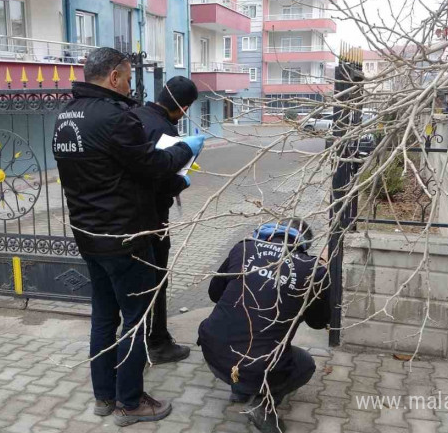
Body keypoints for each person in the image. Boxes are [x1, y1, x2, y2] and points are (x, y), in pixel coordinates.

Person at [51, 47, 206, 427]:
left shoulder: (65, 117)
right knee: (135, 321)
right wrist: (187, 148)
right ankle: (130, 402)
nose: (130, 84)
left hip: (88, 235)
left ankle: (104, 396)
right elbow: (154, 165)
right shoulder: (115, 118)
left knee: (103, 317)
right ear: (115, 76)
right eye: (128, 76)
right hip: (126, 238)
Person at [197, 218, 332, 433]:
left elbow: (215, 294)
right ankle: (263, 405)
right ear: (305, 244)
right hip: (257, 363)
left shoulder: (243, 248)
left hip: (212, 350)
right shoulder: (312, 269)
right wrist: (321, 273)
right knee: (305, 364)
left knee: (243, 335)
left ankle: (240, 389)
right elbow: (318, 322)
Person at [131, 76, 199, 364]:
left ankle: (138, 338)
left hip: (124, 218)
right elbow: (161, 178)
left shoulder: (133, 116)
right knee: (157, 281)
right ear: (183, 107)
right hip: (153, 218)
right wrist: (184, 181)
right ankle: (156, 342)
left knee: (135, 283)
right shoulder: (164, 129)